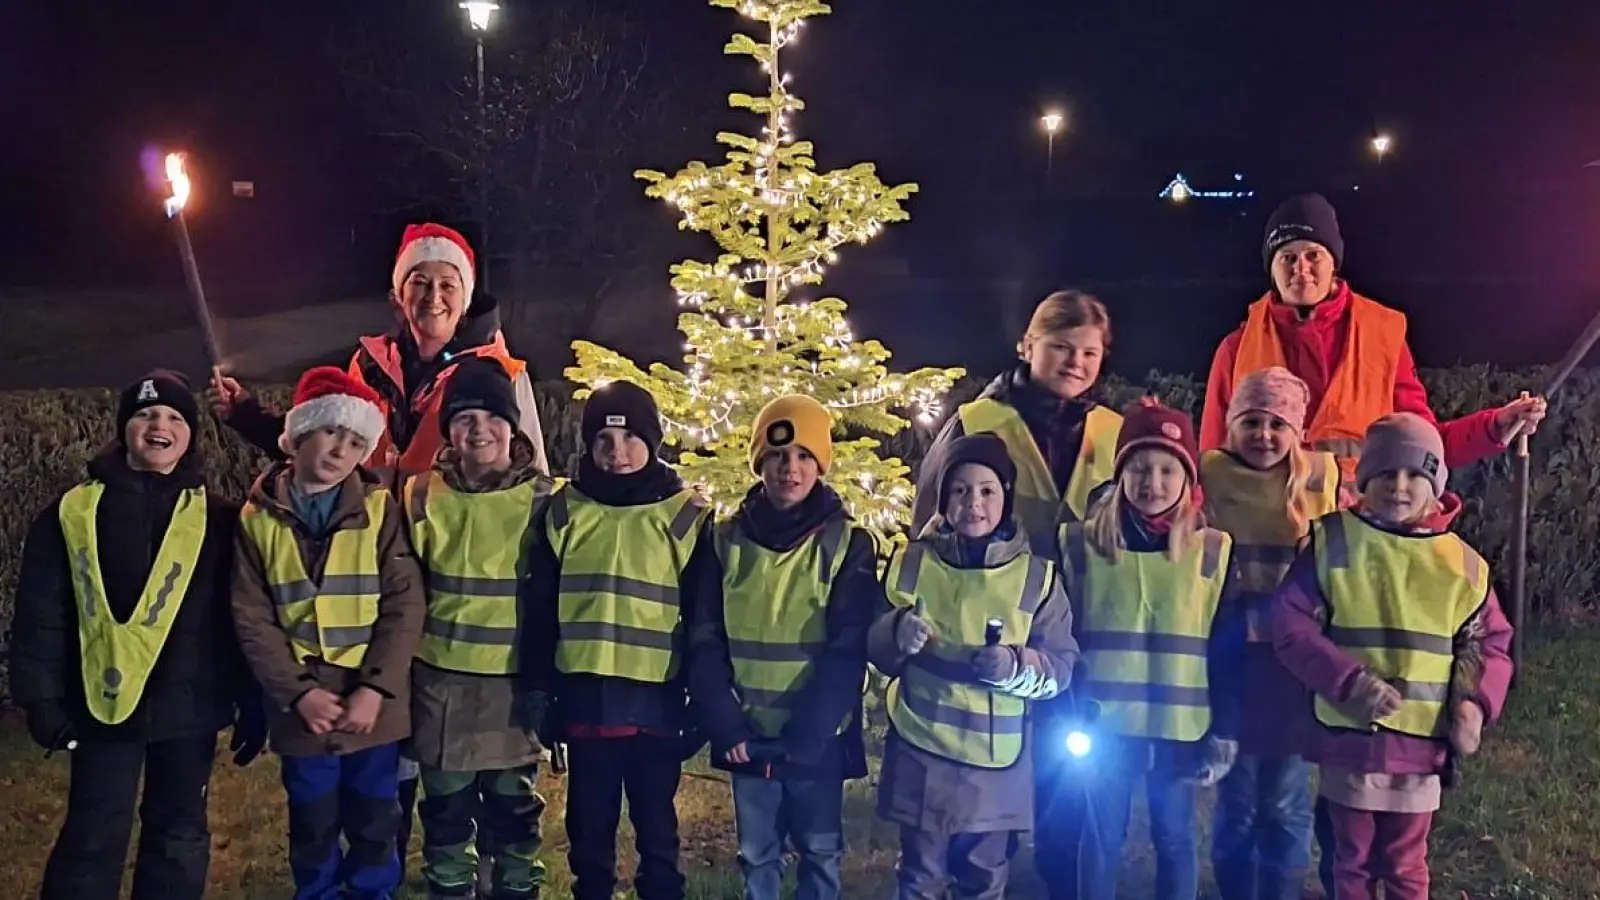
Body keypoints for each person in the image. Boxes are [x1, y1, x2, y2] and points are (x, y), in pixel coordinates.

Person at [10, 370, 267, 900]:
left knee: (178, 837)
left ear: (192, 434)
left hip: (189, 710)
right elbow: (42, 612)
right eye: (146, 414)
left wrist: (251, 697)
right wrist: (41, 700)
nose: (160, 425)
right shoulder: (71, 512)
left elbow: (238, 616)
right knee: (92, 837)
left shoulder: (220, 519)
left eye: (175, 417)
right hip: (102, 706)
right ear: (125, 426)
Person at [1269, 413, 1513, 900]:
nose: (1399, 486)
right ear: (1365, 478)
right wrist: (1347, 682)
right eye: (1385, 474)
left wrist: (1473, 703)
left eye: (1414, 475)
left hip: (1421, 748)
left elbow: (1488, 641)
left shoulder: (1462, 563)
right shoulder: (1333, 541)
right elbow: (1289, 623)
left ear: (1436, 483)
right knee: (1351, 861)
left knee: (1405, 865)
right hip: (1351, 741)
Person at [231, 366, 426, 900]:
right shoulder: (257, 519)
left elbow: (404, 603)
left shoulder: (380, 509)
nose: (342, 449)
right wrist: (298, 693)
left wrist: (376, 688)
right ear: (296, 436)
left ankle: (371, 892)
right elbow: (252, 617)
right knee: (312, 821)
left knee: (374, 819)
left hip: (373, 709)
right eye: (331, 432)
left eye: (357, 440)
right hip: (303, 709)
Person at [1199, 193, 1547, 488]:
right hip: (1270, 531)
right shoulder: (1235, 348)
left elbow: (1426, 442)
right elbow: (1211, 464)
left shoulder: (1382, 336)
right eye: (1287, 257)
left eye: (1313, 255)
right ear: (1272, 270)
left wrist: (1493, 427)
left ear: (1333, 262)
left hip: (1357, 531)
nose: (1300, 268)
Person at [687, 395, 880, 900]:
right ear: (759, 462)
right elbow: (704, 637)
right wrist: (724, 722)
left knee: (820, 853)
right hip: (745, 732)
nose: (788, 469)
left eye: (802, 456)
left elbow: (847, 648)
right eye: (775, 456)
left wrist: (812, 731)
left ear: (820, 463)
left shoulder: (847, 543)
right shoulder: (725, 539)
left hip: (815, 739)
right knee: (757, 856)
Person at [870, 433, 1078, 900]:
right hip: (923, 750)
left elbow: (1061, 668)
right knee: (920, 875)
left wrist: (1015, 665)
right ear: (943, 499)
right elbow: (874, 642)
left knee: (983, 879)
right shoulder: (911, 563)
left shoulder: (1036, 577)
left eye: (987, 490)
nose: (974, 502)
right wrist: (895, 633)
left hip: (995, 764)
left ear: (1006, 496)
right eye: (960, 490)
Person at [530, 380, 712, 900]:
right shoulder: (565, 512)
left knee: (658, 832)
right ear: (588, 446)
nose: (617, 452)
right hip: (586, 703)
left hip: (656, 706)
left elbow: (703, 619)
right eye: (604, 441)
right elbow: (541, 610)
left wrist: (699, 700)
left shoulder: (685, 515)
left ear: (652, 443)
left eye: (631, 438)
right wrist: (539, 688)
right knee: (589, 833)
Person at [1057, 398, 1242, 900]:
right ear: (1119, 475)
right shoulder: (1080, 546)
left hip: (1180, 733)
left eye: (1166, 469)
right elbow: (1061, 636)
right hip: (1102, 728)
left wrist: (1224, 731)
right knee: (1099, 839)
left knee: (1176, 839)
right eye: (1138, 467)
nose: (1152, 482)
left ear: (1187, 479)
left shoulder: (1213, 553)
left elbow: (1228, 653)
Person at [209, 222, 549, 477]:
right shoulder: (369, 366)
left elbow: (532, 476)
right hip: (376, 548)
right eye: (419, 283)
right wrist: (246, 415)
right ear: (398, 297)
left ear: (465, 301)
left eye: (448, 285)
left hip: (453, 554)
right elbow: (323, 447)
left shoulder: (500, 373)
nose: (434, 297)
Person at [400, 360, 557, 900]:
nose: (479, 430)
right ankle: (450, 889)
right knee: (446, 813)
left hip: (513, 688)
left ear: (513, 426)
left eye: (492, 416)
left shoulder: (543, 500)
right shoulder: (420, 495)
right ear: (448, 430)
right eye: (464, 417)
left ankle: (517, 890)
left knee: (514, 812)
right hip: (442, 684)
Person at [1199, 367, 1339, 900]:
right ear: (1231, 426)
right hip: (1233, 660)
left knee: (1284, 798)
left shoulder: (1317, 480)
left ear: (1297, 432)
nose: (1263, 434)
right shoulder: (1208, 476)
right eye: (1251, 421)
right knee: (1236, 796)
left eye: (1277, 424)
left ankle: (1282, 889)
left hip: (1292, 667)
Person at [914, 290, 1123, 555]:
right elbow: (929, 520)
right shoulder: (974, 422)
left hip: (1089, 592)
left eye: (1090, 353)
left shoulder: (1115, 431)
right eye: (1061, 347)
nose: (1075, 362)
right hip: (999, 590)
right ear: (1029, 346)